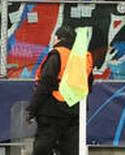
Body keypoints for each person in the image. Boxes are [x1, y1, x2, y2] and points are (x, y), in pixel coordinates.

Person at [28, 26, 94, 155]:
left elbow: (45, 84)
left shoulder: (57, 54)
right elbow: (89, 84)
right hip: (75, 111)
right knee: (71, 149)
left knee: (43, 147)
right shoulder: (85, 56)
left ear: (58, 38)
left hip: (52, 110)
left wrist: (32, 110)